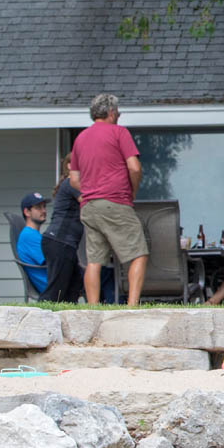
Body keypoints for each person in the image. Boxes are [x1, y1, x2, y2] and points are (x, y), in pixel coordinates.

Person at [69, 94, 149, 306]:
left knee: (94, 261)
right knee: (139, 254)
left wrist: (91, 188)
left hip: (89, 207)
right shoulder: (119, 133)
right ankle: (132, 306)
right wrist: (132, 191)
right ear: (112, 112)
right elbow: (135, 167)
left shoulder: (80, 139)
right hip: (115, 202)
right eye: (118, 114)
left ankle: (93, 309)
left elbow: (74, 179)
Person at [40, 155, 84, 302]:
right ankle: (38, 317)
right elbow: (88, 202)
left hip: (64, 243)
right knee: (56, 290)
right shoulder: (71, 183)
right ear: (70, 166)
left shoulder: (72, 184)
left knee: (75, 284)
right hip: (60, 241)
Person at [15, 192, 49, 294]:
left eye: (44, 207)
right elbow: (51, 262)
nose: (43, 211)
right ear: (27, 212)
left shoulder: (34, 234)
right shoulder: (29, 235)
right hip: (50, 287)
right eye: (38, 207)